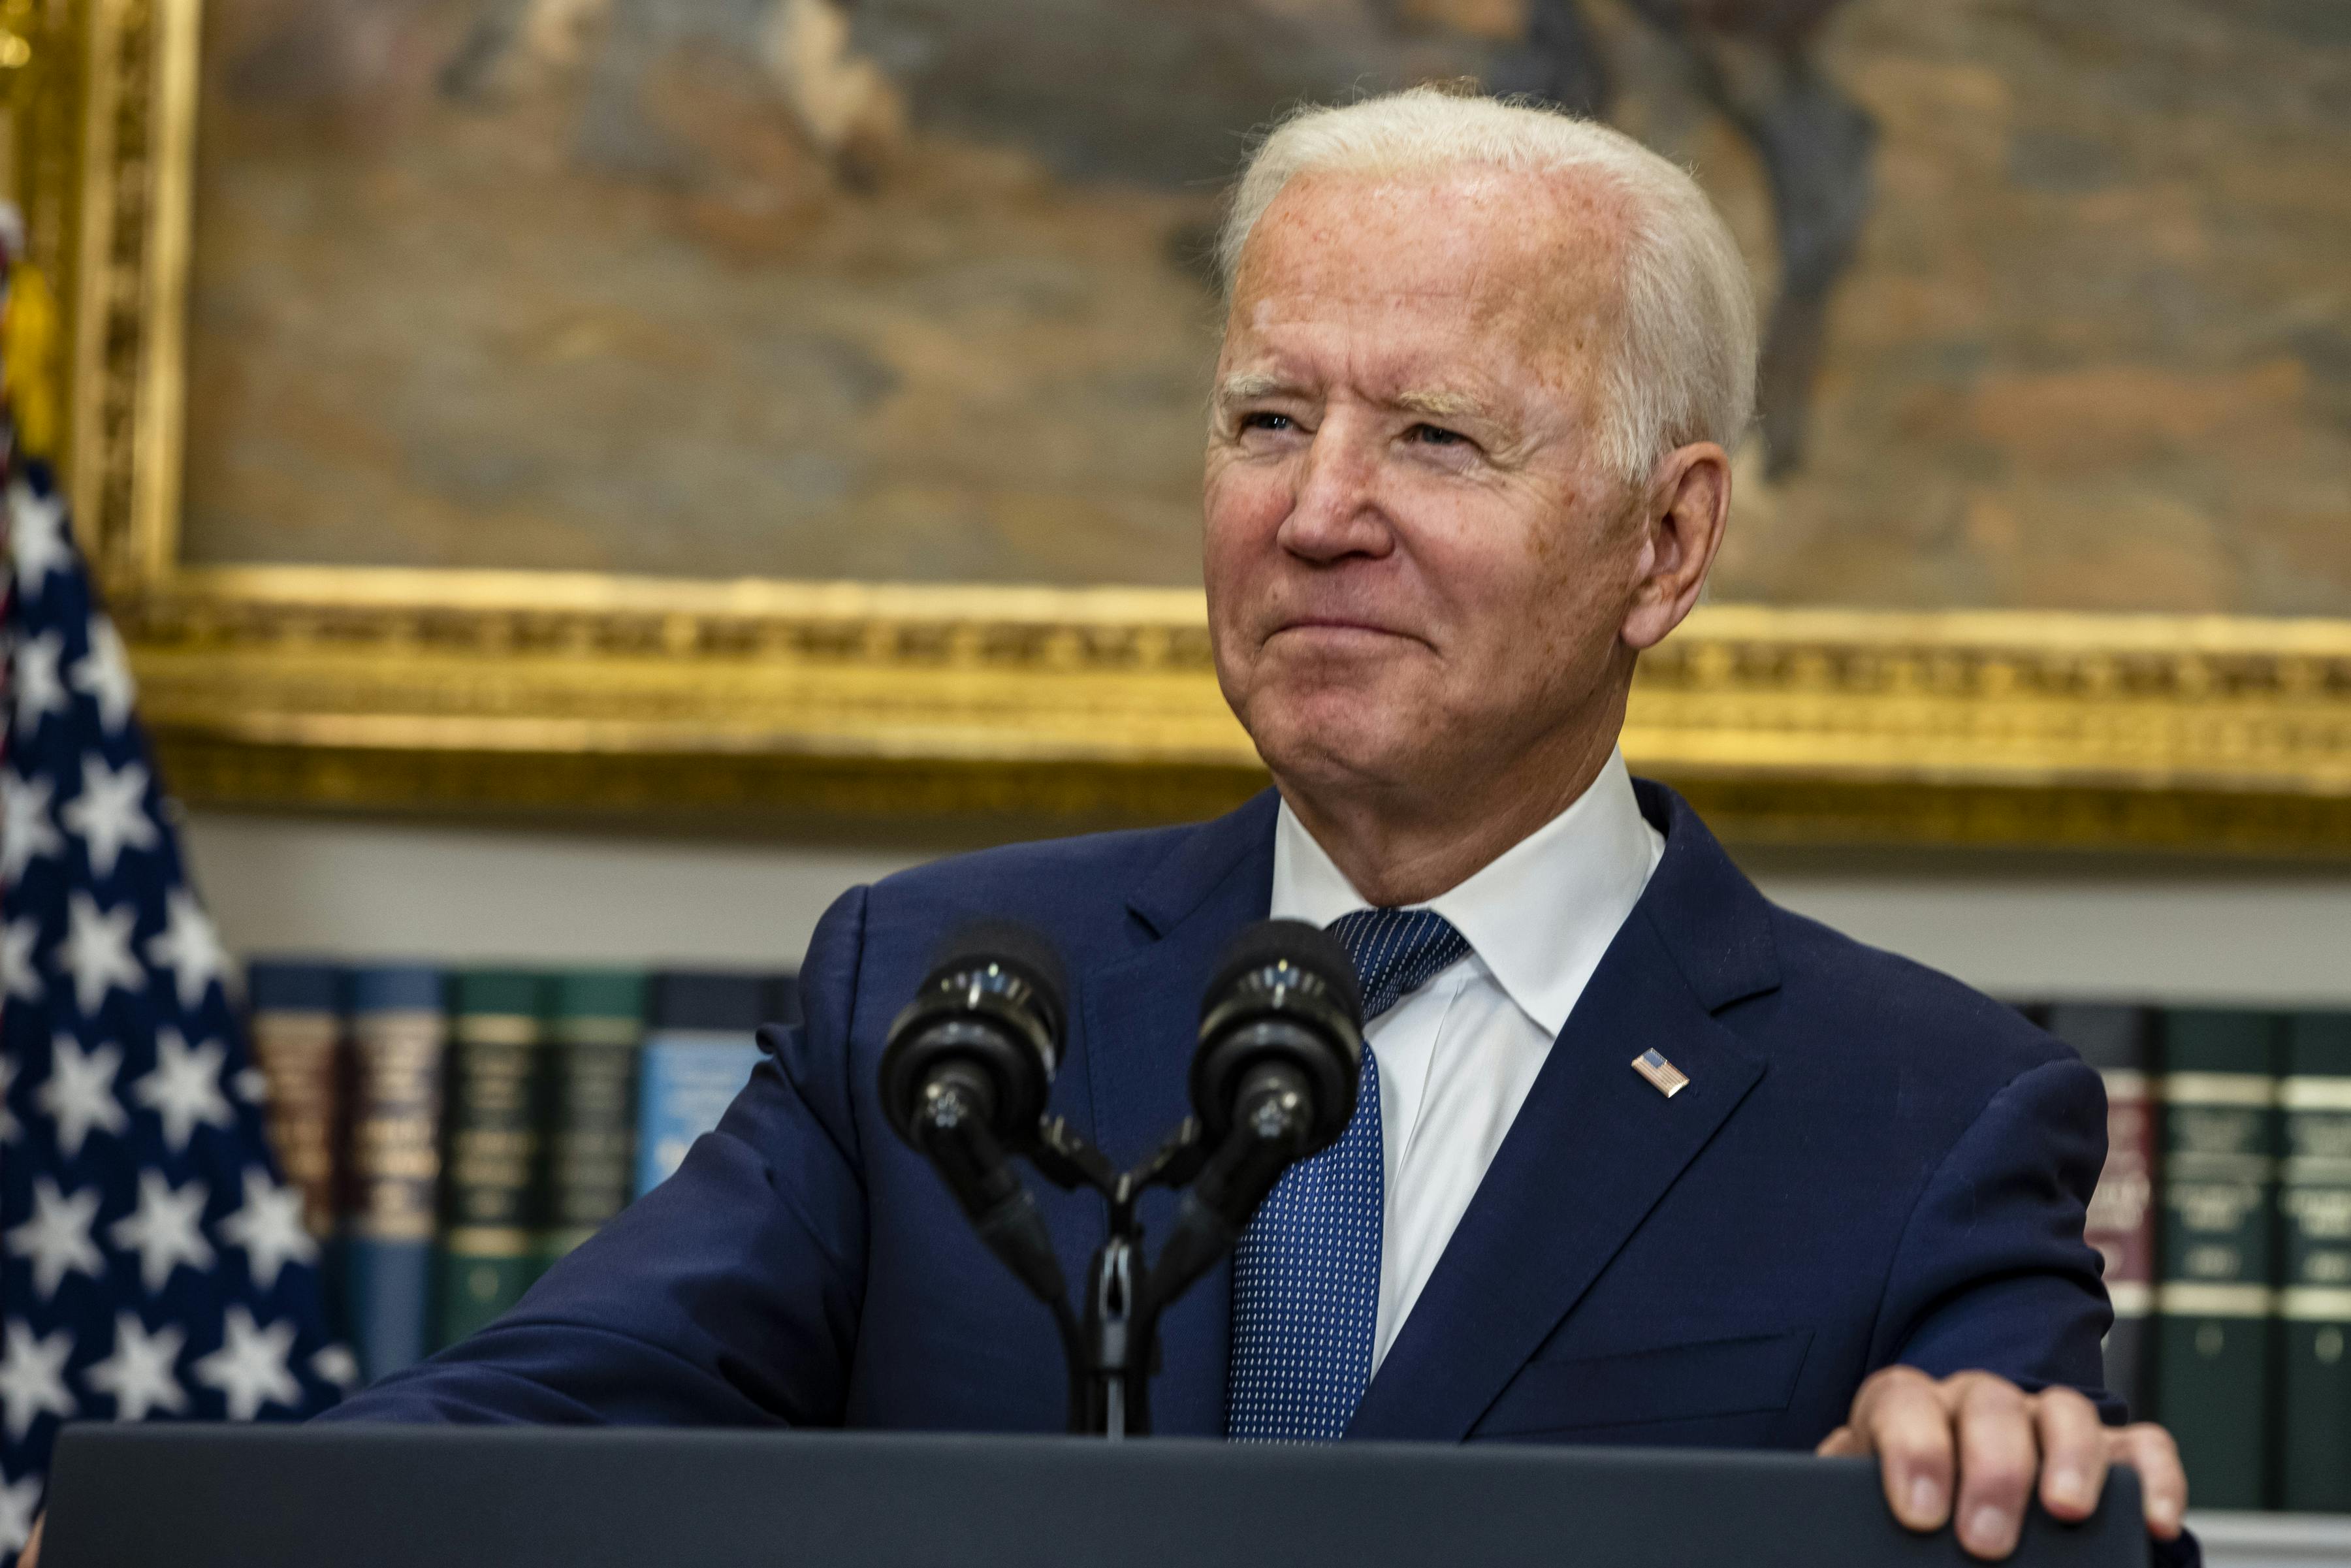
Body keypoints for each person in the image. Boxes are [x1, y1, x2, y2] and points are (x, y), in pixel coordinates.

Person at [20, 87, 2190, 1568]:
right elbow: (549, 1408)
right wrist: (157, 1525)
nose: (1319, 510)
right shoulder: (948, 997)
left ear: (1667, 538)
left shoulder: (1920, 1106)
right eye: (1268, 418)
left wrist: (2008, 1473)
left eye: (1435, 434)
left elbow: (2026, 1482)